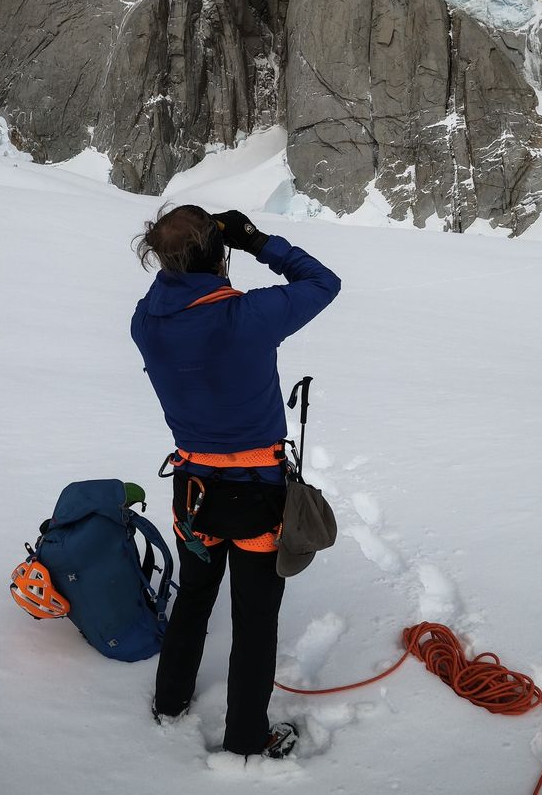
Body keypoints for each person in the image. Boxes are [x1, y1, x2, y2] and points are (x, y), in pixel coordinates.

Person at [130, 205, 341, 759]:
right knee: (254, 621)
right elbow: (324, 282)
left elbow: (165, 294)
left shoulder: (146, 323)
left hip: (192, 493)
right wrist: (256, 242)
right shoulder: (249, 315)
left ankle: (170, 701)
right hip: (257, 494)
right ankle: (247, 735)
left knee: (194, 599)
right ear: (218, 253)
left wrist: (195, 249)